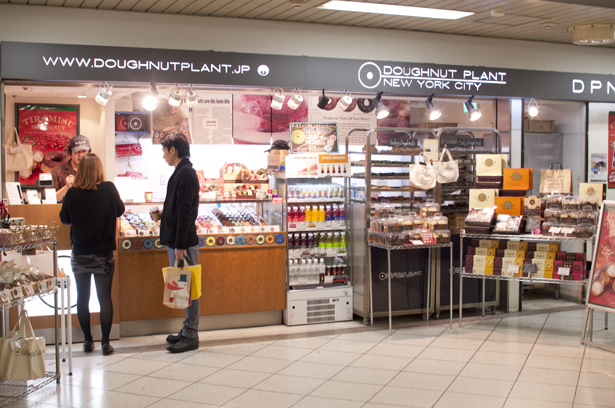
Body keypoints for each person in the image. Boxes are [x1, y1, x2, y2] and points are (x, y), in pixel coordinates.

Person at [59, 154, 124, 356]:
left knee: (82, 297)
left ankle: (88, 341)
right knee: (104, 297)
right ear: (99, 170)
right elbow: (120, 210)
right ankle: (105, 343)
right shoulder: (109, 188)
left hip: (80, 253)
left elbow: (64, 219)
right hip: (104, 252)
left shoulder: (72, 193)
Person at [160, 133, 200, 353]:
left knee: (190, 288)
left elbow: (186, 214)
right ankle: (187, 330)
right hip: (177, 241)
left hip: (182, 243)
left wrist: (180, 247)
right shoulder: (181, 172)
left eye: (164, 151)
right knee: (183, 287)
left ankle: (191, 334)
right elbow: (178, 210)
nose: (163, 156)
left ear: (173, 150)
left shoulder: (185, 174)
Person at [52, 135, 91, 202]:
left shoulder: (93, 171)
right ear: (70, 152)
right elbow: (51, 199)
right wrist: (66, 187)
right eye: (77, 151)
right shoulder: (57, 171)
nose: (80, 155)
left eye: (83, 151)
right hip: (64, 211)